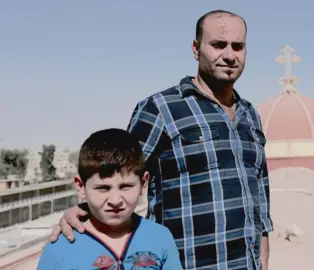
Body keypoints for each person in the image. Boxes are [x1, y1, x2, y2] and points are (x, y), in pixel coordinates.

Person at [50, 9, 273, 269]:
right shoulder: (161, 109)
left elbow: (261, 194)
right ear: (195, 49)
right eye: (218, 45)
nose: (229, 55)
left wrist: (264, 256)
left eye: (238, 46)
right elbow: (115, 173)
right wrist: (82, 211)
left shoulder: (250, 116)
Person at [39, 128, 182, 269]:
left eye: (125, 186)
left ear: (143, 184)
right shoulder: (60, 248)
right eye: (103, 188)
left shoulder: (160, 237)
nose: (115, 200)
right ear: (81, 187)